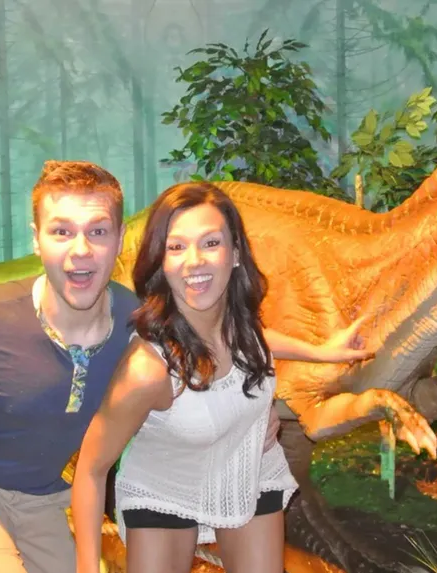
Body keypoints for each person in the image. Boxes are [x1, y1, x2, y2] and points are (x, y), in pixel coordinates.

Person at [0, 162, 369, 573]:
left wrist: (321, 352)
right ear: (37, 239)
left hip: (38, 490)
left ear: (119, 239)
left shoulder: (133, 316)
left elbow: (233, 336)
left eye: (96, 231)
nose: (80, 250)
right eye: (62, 231)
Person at [70, 182, 370, 573]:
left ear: (235, 254)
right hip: (167, 487)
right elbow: (91, 469)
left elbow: (256, 341)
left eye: (210, 243)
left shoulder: (239, 327)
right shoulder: (148, 370)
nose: (194, 261)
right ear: (161, 261)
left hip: (247, 467)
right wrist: (86, 567)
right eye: (176, 247)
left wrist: (324, 351)